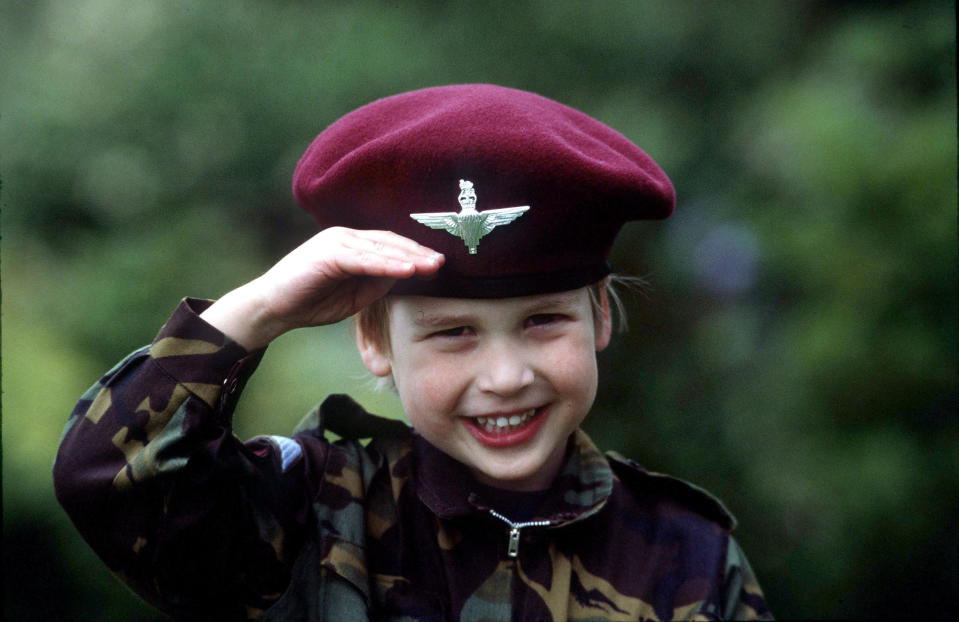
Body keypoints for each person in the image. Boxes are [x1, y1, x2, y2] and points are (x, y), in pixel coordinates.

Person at [54, 84, 773, 621]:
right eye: (453, 332)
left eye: (544, 321)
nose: (505, 376)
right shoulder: (311, 512)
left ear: (598, 318)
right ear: (373, 341)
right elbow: (110, 479)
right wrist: (262, 308)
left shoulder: (687, 554)